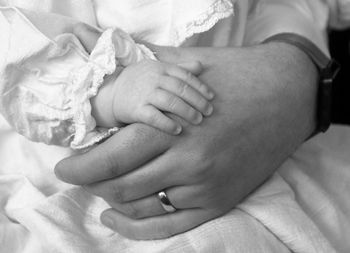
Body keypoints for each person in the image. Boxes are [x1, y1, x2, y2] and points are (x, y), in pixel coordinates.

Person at [1, 0, 350, 252]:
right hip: (92, 182)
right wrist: (108, 89)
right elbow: (17, 45)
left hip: (255, 147)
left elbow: (273, 9)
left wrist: (288, 73)